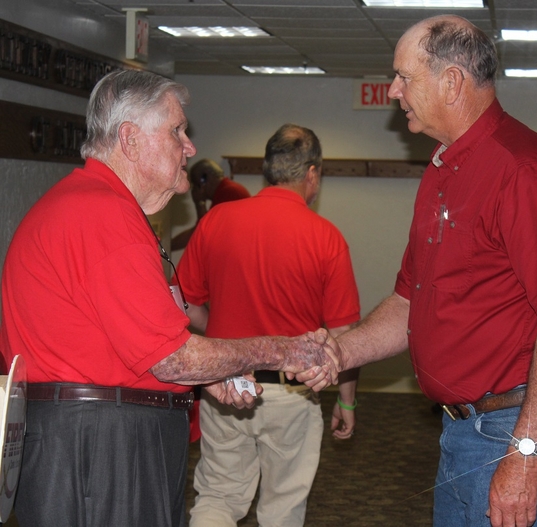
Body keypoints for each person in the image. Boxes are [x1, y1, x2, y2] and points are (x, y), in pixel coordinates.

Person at [0, 70, 338, 527]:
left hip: (94, 438)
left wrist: (208, 374)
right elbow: (173, 359)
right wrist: (281, 349)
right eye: (177, 130)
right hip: (99, 446)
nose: (191, 146)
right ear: (131, 140)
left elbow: (138, 347)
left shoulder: (92, 205)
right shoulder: (102, 215)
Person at [314, 15, 537, 527]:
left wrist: (526, 455)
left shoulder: (525, 169)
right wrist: (340, 352)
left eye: (404, 76)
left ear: (451, 82)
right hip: (468, 427)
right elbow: (409, 303)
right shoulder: (444, 168)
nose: (393, 91)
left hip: (518, 426)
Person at [176, 123, 361, 527]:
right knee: (282, 510)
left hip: (224, 386)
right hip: (292, 395)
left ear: (268, 169)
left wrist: (216, 339)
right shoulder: (326, 238)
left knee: (217, 498)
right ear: (311, 174)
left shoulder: (217, 220)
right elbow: (346, 337)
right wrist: (346, 400)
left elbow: (183, 302)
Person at [170, 158, 250, 251]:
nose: (195, 190)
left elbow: (205, 233)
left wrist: (199, 203)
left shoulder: (228, 193)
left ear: (203, 180)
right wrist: (167, 247)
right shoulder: (225, 191)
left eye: (196, 184)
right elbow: (198, 231)